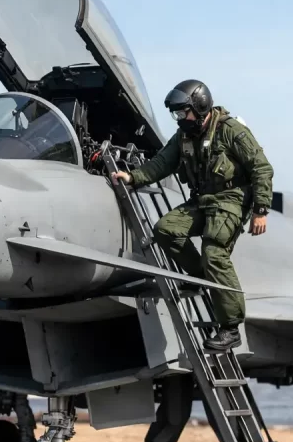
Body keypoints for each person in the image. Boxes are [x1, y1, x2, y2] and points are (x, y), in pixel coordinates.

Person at [110, 79, 274, 351]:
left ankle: (231, 329)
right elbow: (162, 164)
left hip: (231, 199)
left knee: (214, 253)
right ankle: (204, 277)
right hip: (202, 200)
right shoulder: (184, 137)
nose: (178, 119)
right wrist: (132, 177)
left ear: (199, 107)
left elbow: (261, 169)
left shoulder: (231, 131)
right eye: (176, 114)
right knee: (165, 229)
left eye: (182, 112)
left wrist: (260, 211)